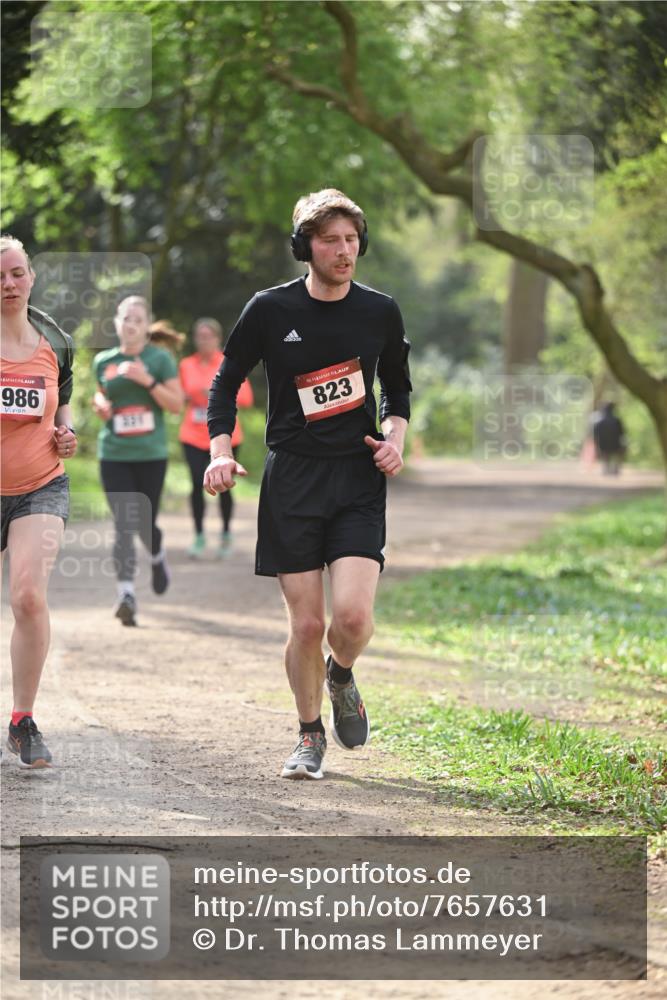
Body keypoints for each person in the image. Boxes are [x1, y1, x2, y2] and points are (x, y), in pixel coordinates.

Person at [205, 189, 411, 780]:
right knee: (306, 625)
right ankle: (309, 734)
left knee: (350, 621)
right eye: (329, 241)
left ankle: (341, 674)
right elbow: (225, 386)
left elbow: (397, 389)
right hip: (292, 477)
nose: (343, 252)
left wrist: (394, 440)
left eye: (351, 240)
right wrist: (221, 452)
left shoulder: (380, 311)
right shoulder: (269, 310)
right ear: (305, 247)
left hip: (357, 475)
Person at [1, 234, 77, 768]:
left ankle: (23, 721)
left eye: (16, 273)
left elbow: (62, 409)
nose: (8, 284)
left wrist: (67, 433)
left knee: (28, 596)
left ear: (31, 276)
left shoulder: (56, 339)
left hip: (41, 484)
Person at [91, 295, 183, 626]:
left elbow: (176, 405)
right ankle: (126, 592)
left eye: (137, 320)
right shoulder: (104, 360)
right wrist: (100, 403)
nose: (130, 324)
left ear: (146, 327)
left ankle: (157, 555)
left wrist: (147, 381)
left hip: (150, 455)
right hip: (114, 454)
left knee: (145, 524)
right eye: (125, 318)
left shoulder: (158, 359)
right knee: (124, 523)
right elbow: (102, 393)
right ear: (116, 323)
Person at [179, 317, 254, 558]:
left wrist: (213, 393)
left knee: (224, 486)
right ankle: (199, 535)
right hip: (192, 434)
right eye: (199, 336)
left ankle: (225, 535)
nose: (204, 341)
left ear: (218, 339)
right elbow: (179, 395)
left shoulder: (227, 362)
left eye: (208, 336)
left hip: (226, 437)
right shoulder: (186, 365)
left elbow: (246, 399)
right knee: (195, 485)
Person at [592, 401, 627, 475]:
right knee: (620, 452)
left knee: (605, 454)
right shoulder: (617, 421)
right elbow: (622, 433)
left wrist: (596, 444)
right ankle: (615, 468)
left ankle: (606, 467)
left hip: (603, 445)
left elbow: (595, 434)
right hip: (615, 444)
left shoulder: (599, 422)